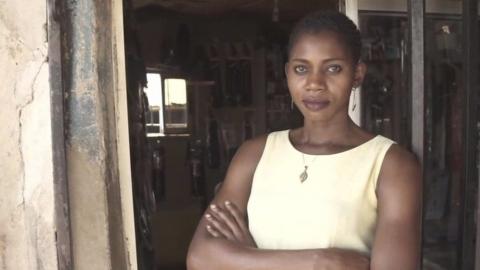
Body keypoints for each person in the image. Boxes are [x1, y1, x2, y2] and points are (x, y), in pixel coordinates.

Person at [187, 10, 422, 270]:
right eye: (301, 68)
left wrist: (246, 257)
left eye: (333, 68)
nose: (314, 83)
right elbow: (200, 257)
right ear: (288, 73)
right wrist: (322, 261)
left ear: (357, 74)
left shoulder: (391, 165)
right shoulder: (254, 154)